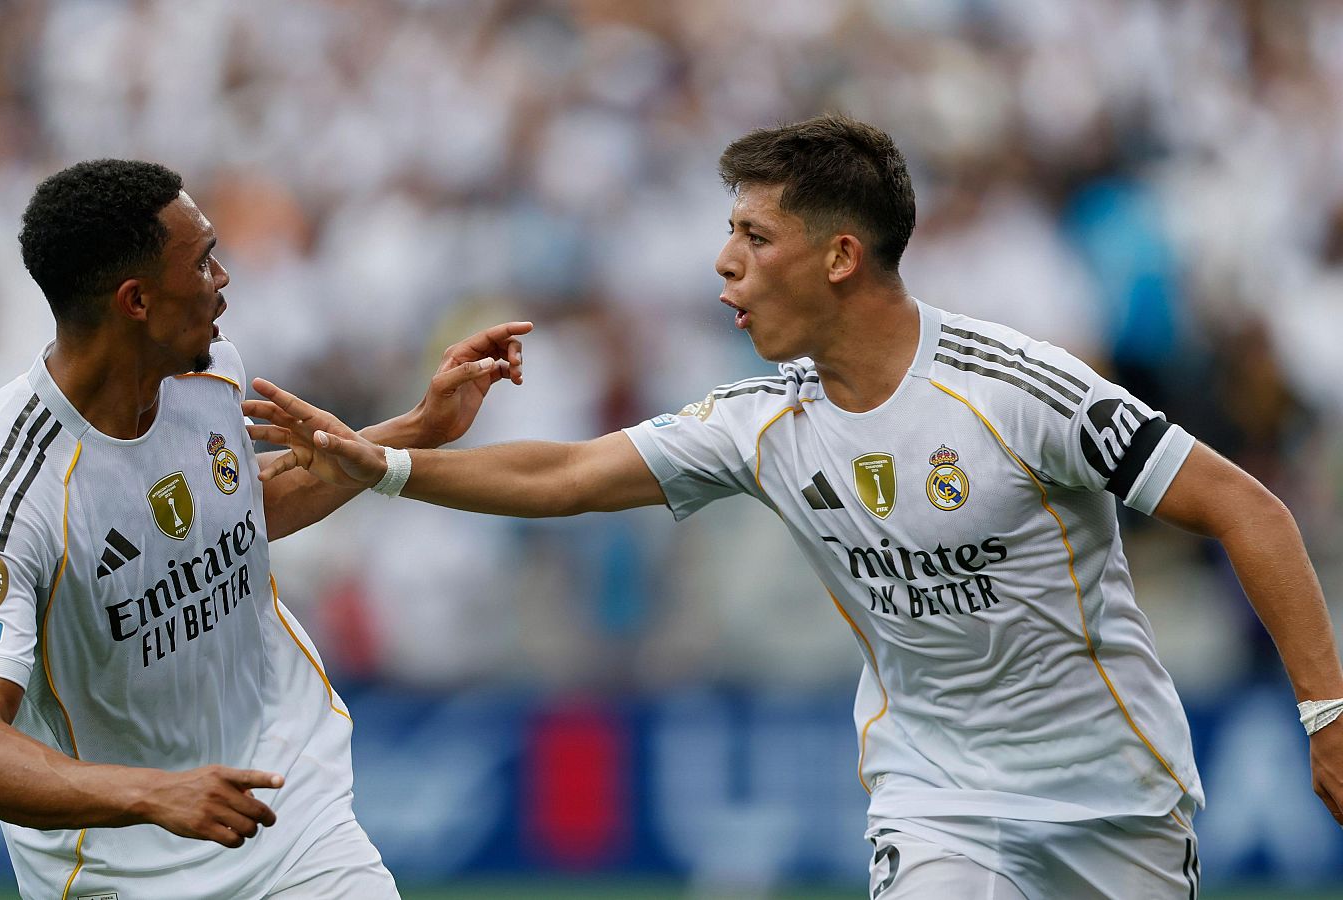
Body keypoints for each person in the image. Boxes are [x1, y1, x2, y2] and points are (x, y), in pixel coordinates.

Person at [245, 114, 1343, 898]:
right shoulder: (762, 419)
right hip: (937, 801)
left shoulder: (1018, 389)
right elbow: (565, 475)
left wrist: (1326, 715)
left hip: (1110, 797)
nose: (723, 267)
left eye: (754, 239)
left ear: (840, 256)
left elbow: (1249, 509)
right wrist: (373, 461)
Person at [0, 159, 528, 899]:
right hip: (124, 867)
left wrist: (416, 430)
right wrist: (156, 794)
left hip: (288, 815)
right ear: (136, 300)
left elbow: (242, 509)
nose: (223, 279)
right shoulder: (7, 492)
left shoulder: (207, 376)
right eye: (203, 260)